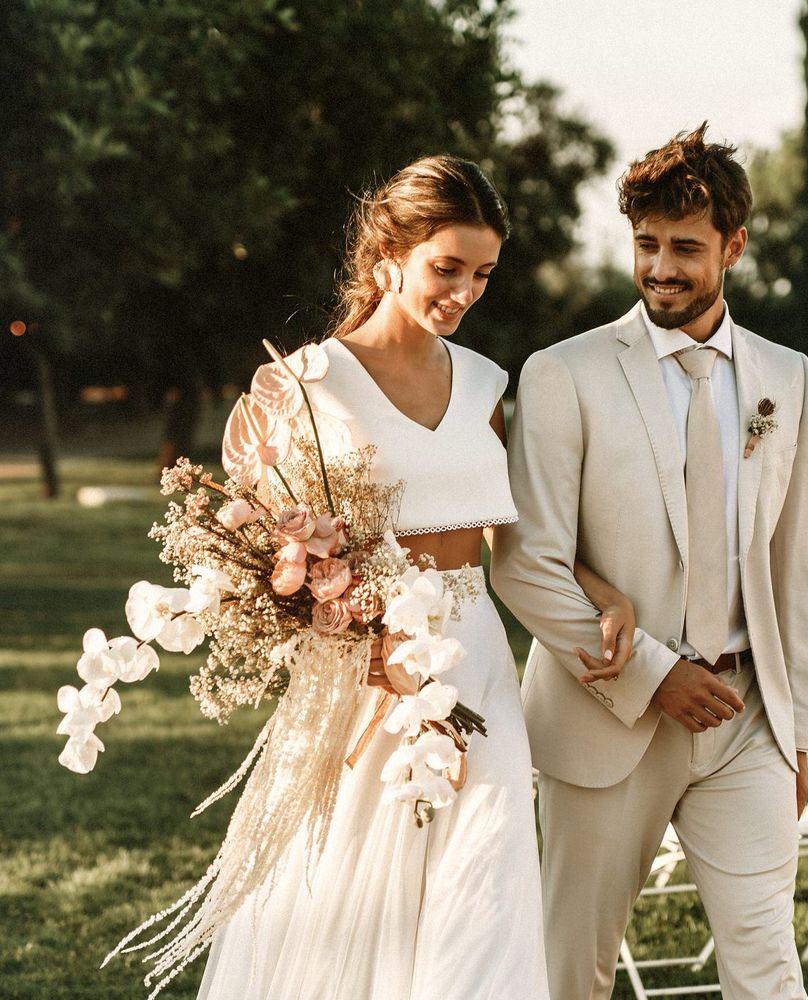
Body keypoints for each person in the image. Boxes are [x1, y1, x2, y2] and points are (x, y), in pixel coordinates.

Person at [195, 155, 632, 1000]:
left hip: (477, 666)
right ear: (386, 256)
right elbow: (255, 554)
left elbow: (519, 534)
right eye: (448, 268)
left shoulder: (485, 385)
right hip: (364, 675)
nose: (465, 292)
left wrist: (601, 591)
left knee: (486, 874)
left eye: (483, 274)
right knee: (354, 895)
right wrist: (360, 637)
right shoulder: (306, 385)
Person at [491, 124, 808, 1000]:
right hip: (606, 721)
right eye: (647, 245)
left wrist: (801, 736)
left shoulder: (785, 378)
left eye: (685, 248)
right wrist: (651, 675)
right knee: (574, 971)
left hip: (748, 717)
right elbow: (526, 562)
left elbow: (797, 568)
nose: (661, 268)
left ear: (734, 247)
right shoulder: (565, 374)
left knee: (767, 965)